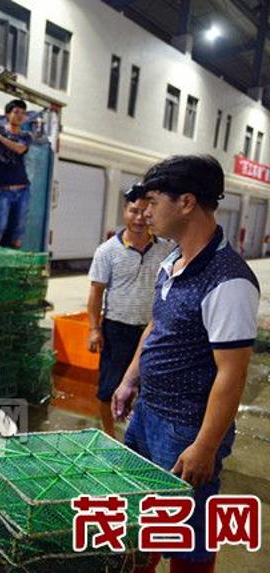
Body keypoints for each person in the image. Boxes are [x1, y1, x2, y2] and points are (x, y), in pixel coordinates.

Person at [111, 155, 260, 573]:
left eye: (154, 201)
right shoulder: (171, 262)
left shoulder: (228, 280)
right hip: (149, 414)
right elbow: (157, 326)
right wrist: (129, 381)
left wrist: (205, 446)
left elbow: (233, 372)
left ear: (187, 202)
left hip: (186, 431)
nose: (145, 212)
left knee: (188, 538)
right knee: (141, 518)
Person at [87, 193, 174, 436]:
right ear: (124, 211)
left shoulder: (167, 249)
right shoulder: (107, 251)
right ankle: (109, 437)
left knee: (150, 389)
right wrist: (94, 330)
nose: (139, 218)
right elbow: (96, 293)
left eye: (145, 212)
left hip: (154, 331)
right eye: (133, 211)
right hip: (117, 330)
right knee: (108, 389)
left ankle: (141, 439)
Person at [0, 99, 33, 248]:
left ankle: (16, 264)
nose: (20, 116)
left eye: (23, 113)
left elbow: (20, 149)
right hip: (3, 189)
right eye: (16, 112)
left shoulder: (26, 136)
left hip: (22, 188)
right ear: (7, 114)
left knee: (19, 227)